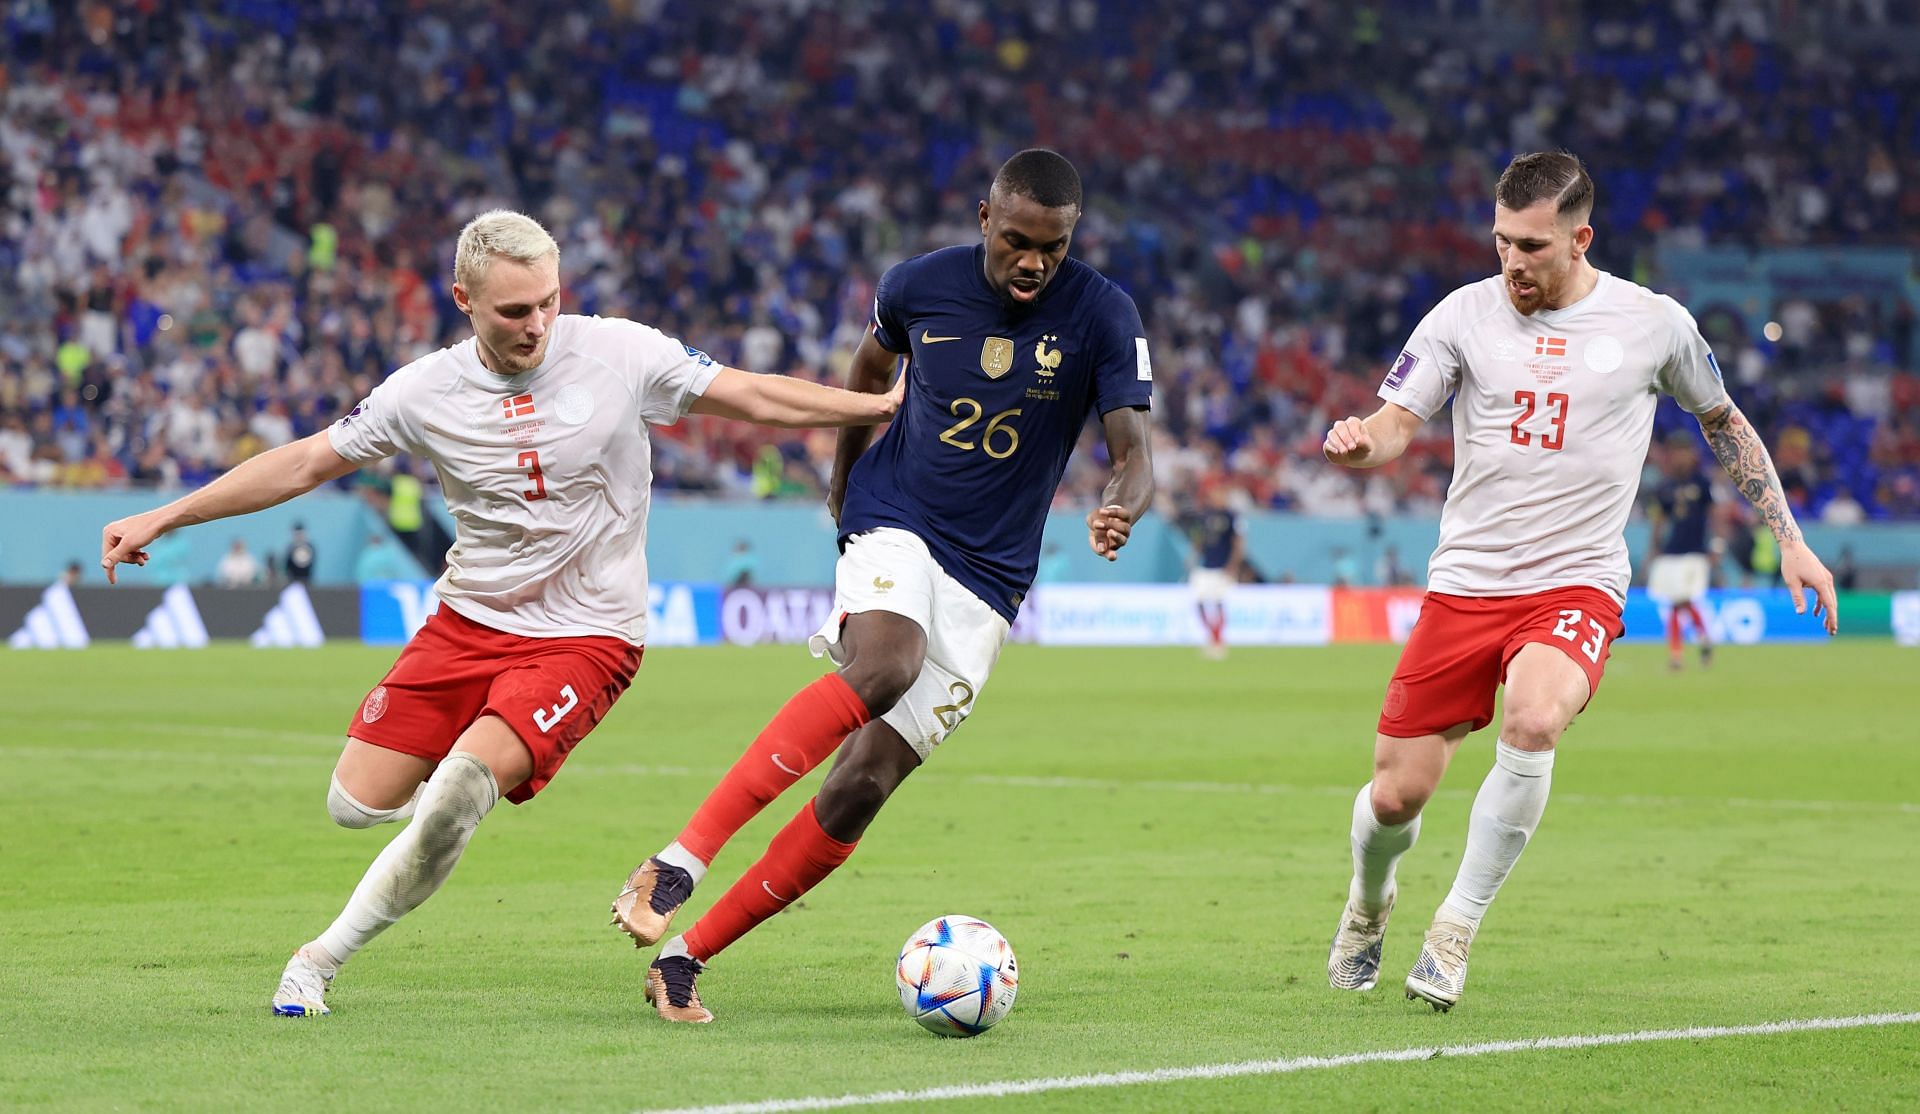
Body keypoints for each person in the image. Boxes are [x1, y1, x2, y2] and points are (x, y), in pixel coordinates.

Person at [98, 209, 904, 1018]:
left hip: (587, 637)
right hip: (468, 622)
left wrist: (866, 409)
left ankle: (317, 961)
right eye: (514, 311)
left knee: (457, 793)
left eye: (548, 302)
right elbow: (306, 461)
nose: (537, 324)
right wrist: (165, 517)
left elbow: (748, 392)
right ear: (463, 300)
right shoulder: (424, 392)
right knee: (354, 805)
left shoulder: (621, 352)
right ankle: (450, 800)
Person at [610, 149, 1156, 1023]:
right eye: (1016, 241)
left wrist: (1120, 507)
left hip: (992, 578)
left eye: (1050, 249)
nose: (1032, 263)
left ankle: (686, 957)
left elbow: (1134, 457)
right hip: (895, 511)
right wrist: (843, 482)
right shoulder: (917, 287)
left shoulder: (1102, 315)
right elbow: (868, 375)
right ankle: (676, 862)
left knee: (859, 785)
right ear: (985, 219)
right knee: (886, 664)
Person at [1319, 152, 1837, 1012]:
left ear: (1579, 237)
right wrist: (1357, 444)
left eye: (1530, 245)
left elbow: (1723, 420)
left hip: (1577, 582)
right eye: (1500, 243)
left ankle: (1453, 934)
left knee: (1534, 719)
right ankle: (1369, 906)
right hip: (1466, 585)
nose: (1512, 262)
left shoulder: (1654, 324)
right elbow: (1395, 425)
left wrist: (1789, 537)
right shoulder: (1461, 317)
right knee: (1395, 793)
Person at [1643, 432, 1716, 671]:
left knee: (1681, 599)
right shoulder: (1666, 486)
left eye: (1684, 452)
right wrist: (1654, 549)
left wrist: (1716, 544)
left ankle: (1682, 652)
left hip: (1695, 550)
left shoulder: (1702, 483)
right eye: (1675, 452)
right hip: (1672, 551)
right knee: (1675, 602)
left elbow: (1715, 515)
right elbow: (1660, 520)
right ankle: (1693, 646)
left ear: (1692, 454)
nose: (1680, 458)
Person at [1185, 484, 1245, 659]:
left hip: (1222, 567)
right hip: (1204, 567)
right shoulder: (1205, 517)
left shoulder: (1232, 517)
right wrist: (1194, 555)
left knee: (1218, 603)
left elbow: (1238, 543)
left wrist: (1232, 565)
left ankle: (1218, 641)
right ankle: (1212, 637)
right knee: (1199, 602)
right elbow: (1199, 539)